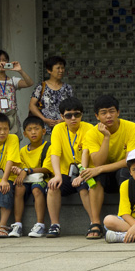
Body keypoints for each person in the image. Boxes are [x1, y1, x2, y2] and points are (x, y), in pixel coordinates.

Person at [80, 95, 135, 239]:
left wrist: (100, 169)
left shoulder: (132, 128)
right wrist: (106, 137)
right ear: (97, 116)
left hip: (123, 172)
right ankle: (95, 223)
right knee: (95, 177)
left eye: (112, 111)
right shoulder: (92, 133)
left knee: (125, 172)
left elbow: (130, 161)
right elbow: (98, 163)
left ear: (118, 112)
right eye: (103, 113)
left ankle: (129, 218)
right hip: (105, 175)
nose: (108, 116)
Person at [44, 97, 98, 238]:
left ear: (82, 115)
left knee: (83, 188)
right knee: (53, 186)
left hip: (85, 171)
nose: (73, 118)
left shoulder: (89, 128)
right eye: (68, 115)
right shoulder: (58, 129)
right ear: (62, 117)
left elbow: (86, 152)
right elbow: (55, 154)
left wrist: (82, 175)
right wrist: (57, 175)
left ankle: (94, 222)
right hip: (65, 173)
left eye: (77, 114)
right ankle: (55, 225)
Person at [11, 116, 52, 238]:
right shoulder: (23, 151)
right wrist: (18, 171)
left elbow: (47, 169)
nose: (33, 132)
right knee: (19, 187)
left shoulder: (49, 147)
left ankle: (40, 224)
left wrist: (27, 170)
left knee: (36, 188)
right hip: (28, 179)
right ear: (24, 134)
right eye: (29, 130)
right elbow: (21, 169)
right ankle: (18, 225)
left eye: (36, 129)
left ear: (43, 131)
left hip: (43, 179)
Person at [28, 56, 74, 139]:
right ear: (49, 70)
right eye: (58, 68)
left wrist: (64, 120)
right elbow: (32, 105)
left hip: (64, 128)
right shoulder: (41, 87)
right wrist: (44, 119)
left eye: (62, 68)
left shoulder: (68, 88)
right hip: (45, 129)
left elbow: (73, 107)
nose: (61, 71)